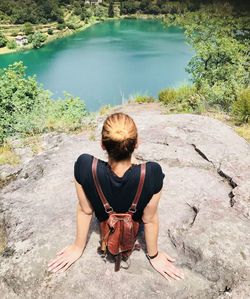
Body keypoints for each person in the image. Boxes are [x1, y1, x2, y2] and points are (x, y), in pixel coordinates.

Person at [48, 112, 184, 281]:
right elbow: (149, 219)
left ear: (102, 145)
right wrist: (154, 256)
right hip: (133, 228)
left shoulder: (85, 165)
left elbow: (85, 210)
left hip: (105, 225)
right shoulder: (151, 173)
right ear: (137, 143)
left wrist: (78, 247)